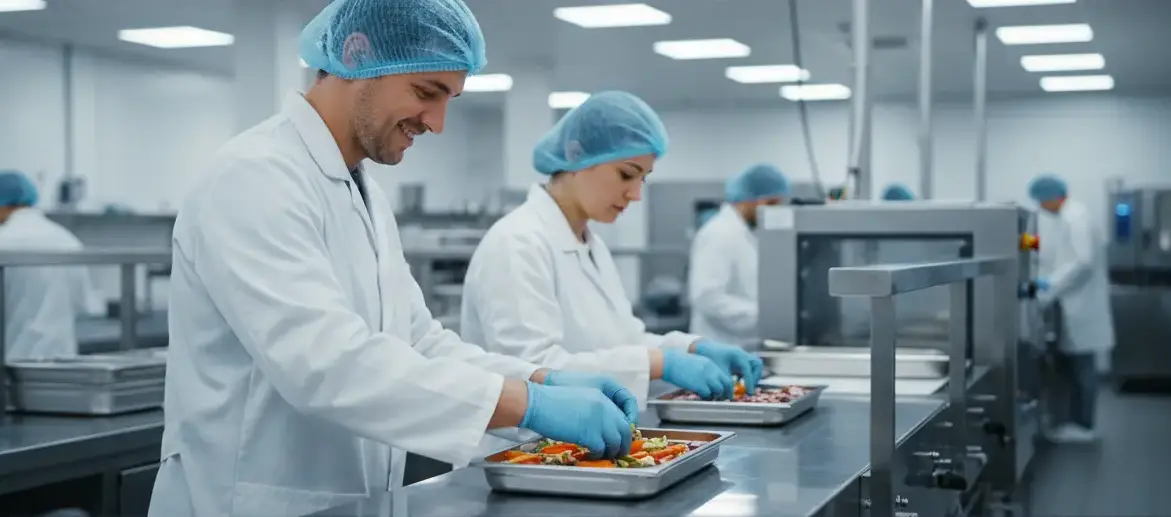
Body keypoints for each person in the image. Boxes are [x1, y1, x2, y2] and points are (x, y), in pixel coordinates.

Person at [147, 2, 642, 516]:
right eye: (427, 92)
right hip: (245, 501)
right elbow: (326, 364)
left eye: (449, 98)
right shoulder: (255, 176)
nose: (438, 122)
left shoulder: (363, 193)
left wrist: (538, 380)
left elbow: (419, 342)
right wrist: (526, 405)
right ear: (357, 54)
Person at [460, 91, 764, 423]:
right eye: (626, 174)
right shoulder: (518, 243)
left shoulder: (590, 243)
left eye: (643, 179)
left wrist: (691, 348)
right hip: (519, 452)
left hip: (585, 440)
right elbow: (532, 369)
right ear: (577, 157)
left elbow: (626, 339)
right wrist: (660, 364)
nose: (635, 195)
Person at [1028, 174, 1114, 444]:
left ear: (1052, 197)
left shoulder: (1075, 217)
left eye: (1041, 202)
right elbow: (1057, 254)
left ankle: (1084, 426)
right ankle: (1076, 421)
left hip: (1082, 306)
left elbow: (1082, 262)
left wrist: (1049, 284)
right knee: (1078, 367)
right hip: (1076, 304)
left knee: (1083, 368)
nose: (1041, 208)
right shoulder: (1069, 216)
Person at [0, 171, 100, 363]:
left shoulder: (4, 240)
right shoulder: (67, 240)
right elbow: (83, 304)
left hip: (13, 360)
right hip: (62, 359)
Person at [687, 164, 791, 345]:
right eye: (771, 203)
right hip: (721, 345)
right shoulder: (719, 233)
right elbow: (707, 298)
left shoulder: (746, 233)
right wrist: (764, 316)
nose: (774, 211)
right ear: (750, 199)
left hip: (745, 345)